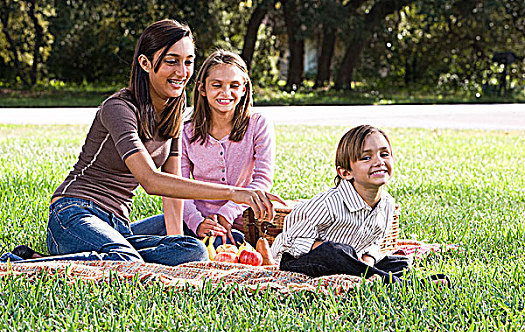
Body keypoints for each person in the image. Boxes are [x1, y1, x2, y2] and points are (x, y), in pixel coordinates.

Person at [2, 19, 282, 266]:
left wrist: (176, 242)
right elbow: (150, 180)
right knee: (125, 261)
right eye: (171, 61)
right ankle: (24, 264)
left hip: (120, 224)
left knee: (192, 248)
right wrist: (234, 192)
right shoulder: (118, 108)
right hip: (75, 213)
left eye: (188, 61)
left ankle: (112, 253)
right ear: (145, 63)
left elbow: (173, 190)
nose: (182, 71)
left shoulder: (174, 106)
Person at [271, 125, 410, 283]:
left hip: (351, 262)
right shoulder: (328, 204)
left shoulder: (387, 204)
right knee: (336, 251)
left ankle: (369, 276)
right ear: (345, 173)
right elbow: (287, 242)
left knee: (401, 263)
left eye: (384, 154)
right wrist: (328, 249)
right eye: (366, 157)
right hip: (303, 261)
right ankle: (395, 282)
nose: (379, 161)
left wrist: (366, 262)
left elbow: (374, 243)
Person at [182, 49, 275, 248]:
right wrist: (196, 223)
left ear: (244, 89)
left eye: (234, 85)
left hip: (238, 225)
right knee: (128, 232)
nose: (226, 93)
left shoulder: (258, 124)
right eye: (217, 85)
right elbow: (177, 187)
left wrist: (227, 214)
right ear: (202, 88)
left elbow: (262, 180)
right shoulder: (186, 132)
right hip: (193, 221)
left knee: (208, 247)